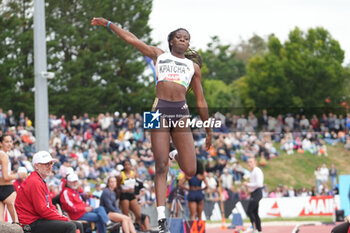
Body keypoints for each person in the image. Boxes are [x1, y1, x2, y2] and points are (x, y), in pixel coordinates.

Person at [91, 17, 212, 233]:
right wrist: (109, 24)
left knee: (191, 170)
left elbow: (201, 101)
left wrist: (208, 128)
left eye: (186, 39)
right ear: (171, 42)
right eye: (179, 37)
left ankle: (173, 151)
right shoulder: (159, 55)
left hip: (181, 112)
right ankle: (162, 218)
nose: (183, 41)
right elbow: (132, 39)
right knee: (161, 165)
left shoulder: (193, 67)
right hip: (159, 108)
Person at [15, 151, 82, 233]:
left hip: (38, 219)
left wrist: (60, 216)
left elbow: (49, 205)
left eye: (51, 164)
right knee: (70, 226)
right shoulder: (34, 181)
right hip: (30, 223)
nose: (50, 167)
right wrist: (62, 218)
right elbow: (42, 210)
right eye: (47, 164)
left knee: (78, 225)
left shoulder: (40, 180)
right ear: (36, 166)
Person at [0, 134, 26, 222]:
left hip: (2, 188)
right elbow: (6, 177)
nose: (9, 144)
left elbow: (3, 173)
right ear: (1, 143)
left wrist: (13, 172)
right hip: (7, 190)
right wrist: (19, 176)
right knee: (18, 222)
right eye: (6, 142)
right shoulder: (4, 156)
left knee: (1, 224)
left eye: (11, 141)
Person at [116, 159, 142, 230]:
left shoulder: (133, 173)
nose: (127, 166)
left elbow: (136, 184)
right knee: (126, 215)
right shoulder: (121, 175)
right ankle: (127, 230)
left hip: (132, 195)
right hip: (124, 195)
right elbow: (117, 187)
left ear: (130, 165)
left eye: (128, 164)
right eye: (125, 165)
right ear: (123, 166)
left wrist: (136, 193)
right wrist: (120, 195)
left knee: (138, 214)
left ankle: (137, 227)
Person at [243, 157, 264, 233]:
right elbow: (254, 184)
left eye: (251, 162)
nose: (249, 163)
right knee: (255, 212)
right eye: (248, 162)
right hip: (254, 193)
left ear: (255, 162)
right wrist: (249, 191)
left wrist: (247, 184)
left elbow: (259, 184)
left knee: (249, 211)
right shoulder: (252, 172)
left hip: (257, 193)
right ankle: (258, 229)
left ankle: (254, 227)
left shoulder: (257, 171)